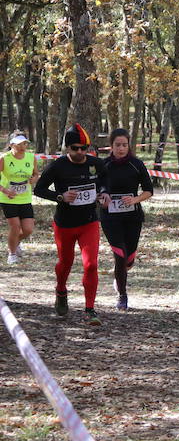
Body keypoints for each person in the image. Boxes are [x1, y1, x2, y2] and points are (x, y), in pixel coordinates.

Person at [34, 124, 109, 326]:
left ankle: (89, 310)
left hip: (89, 223)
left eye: (84, 148)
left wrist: (104, 193)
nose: (80, 152)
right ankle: (61, 290)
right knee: (65, 263)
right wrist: (60, 196)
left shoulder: (95, 163)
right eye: (75, 148)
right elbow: (39, 190)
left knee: (91, 265)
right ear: (67, 148)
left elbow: (105, 181)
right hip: (65, 224)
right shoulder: (58, 166)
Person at [99, 129, 153, 311]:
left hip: (132, 216)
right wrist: (102, 197)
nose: (121, 149)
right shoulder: (103, 165)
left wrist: (135, 199)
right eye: (117, 145)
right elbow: (97, 188)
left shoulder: (136, 164)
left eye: (124, 145)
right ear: (111, 146)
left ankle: (120, 274)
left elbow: (148, 190)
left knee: (128, 259)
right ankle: (123, 296)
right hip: (110, 217)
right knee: (120, 254)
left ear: (129, 145)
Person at [1, 131, 39, 264]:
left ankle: (15, 242)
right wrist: (5, 190)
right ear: (11, 145)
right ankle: (12, 254)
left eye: (24, 143)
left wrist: (33, 179)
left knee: (28, 229)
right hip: (8, 198)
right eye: (19, 143)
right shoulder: (4, 158)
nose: (23, 145)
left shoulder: (31, 157)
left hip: (25, 198)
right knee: (15, 226)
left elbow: (35, 174)